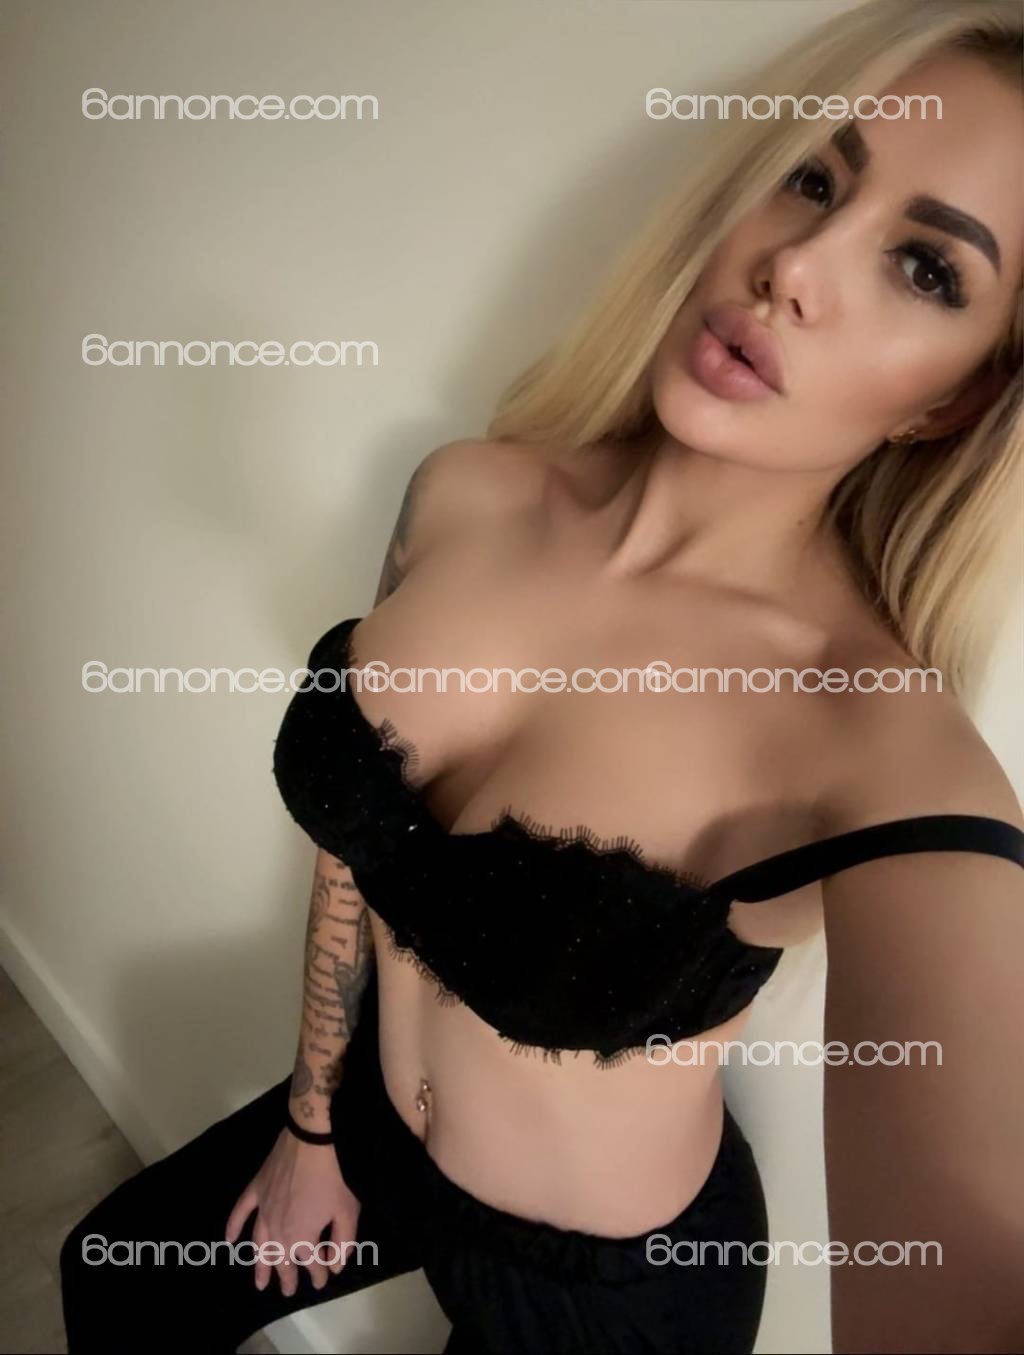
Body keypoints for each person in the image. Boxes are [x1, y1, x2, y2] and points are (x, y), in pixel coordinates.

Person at [60, 1, 1024, 1351]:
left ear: (954, 398)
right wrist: (313, 1123)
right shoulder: (467, 491)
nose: (795, 267)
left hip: (612, 1299)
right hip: (377, 1139)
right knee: (114, 1280)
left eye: (925, 266)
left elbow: (976, 1212)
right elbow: (363, 834)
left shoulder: (869, 747)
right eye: (813, 178)